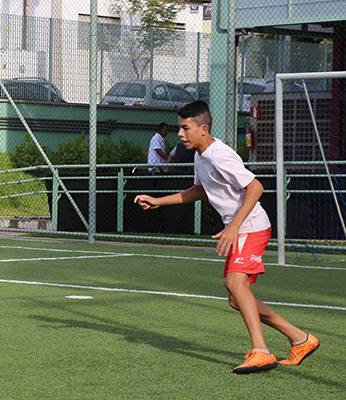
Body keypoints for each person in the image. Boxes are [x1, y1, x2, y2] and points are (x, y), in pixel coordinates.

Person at [134, 100, 319, 374]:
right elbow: (199, 190)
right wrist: (159, 201)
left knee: (235, 284)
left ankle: (262, 351)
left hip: (251, 226)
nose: (180, 134)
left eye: (185, 128)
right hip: (241, 228)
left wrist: (233, 226)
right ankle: (300, 339)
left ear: (203, 129)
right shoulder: (200, 155)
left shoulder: (220, 155)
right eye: (179, 128)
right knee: (236, 297)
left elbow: (255, 187)